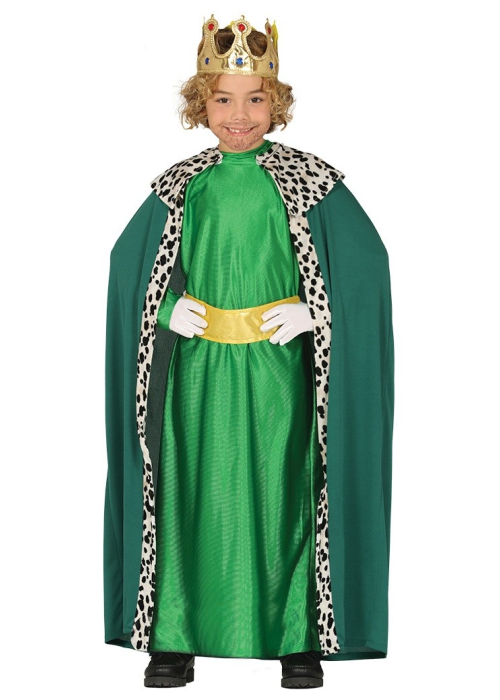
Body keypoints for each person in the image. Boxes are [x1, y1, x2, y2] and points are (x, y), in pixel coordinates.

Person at [103, 14, 395, 690]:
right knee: (190, 499)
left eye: (256, 98)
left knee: (285, 498)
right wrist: (164, 310)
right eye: (224, 99)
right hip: (197, 375)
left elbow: (366, 268)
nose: (239, 115)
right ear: (200, 104)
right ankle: (173, 636)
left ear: (277, 102)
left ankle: (297, 636)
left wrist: (316, 311)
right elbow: (129, 268)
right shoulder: (182, 184)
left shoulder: (308, 180)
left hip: (278, 373)